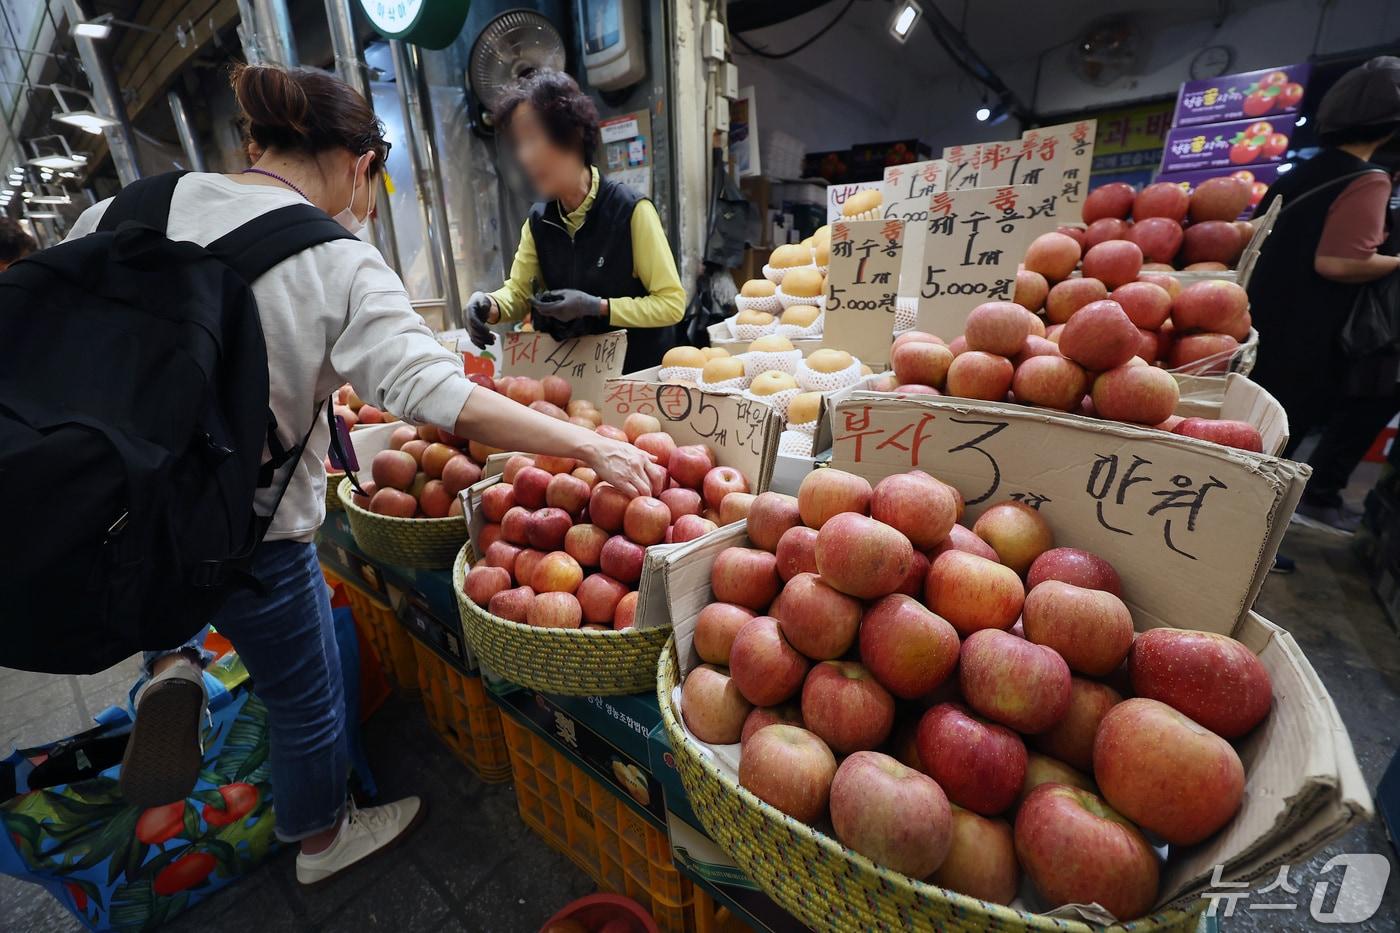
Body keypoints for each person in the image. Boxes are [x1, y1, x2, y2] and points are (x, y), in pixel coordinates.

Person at [62, 64, 652, 885]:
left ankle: (171, 660)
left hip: (118, 505)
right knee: (306, 693)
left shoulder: (123, 207)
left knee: (167, 572)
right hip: (253, 525)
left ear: (256, 145)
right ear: (359, 164)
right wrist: (584, 446)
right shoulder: (334, 258)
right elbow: (439, 395)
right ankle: (320, 838)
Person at [1247, 56, 1400, 537]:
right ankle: (1250, 543)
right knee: (1278, 441)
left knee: (1250, 433)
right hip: (1310, 333)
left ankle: (1230, 531)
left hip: (1257, 319)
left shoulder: (1298, 172)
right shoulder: (1369, 179)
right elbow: (1337, 262)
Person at [465, 69, 685, 372]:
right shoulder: (539, 222)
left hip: (636, 383)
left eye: (532, 139)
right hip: (576, 381)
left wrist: (599, 307)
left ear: (572, 134)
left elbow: (671, 304)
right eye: (518, 143)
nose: (525, 157)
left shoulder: (630, 210)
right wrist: (488, 305)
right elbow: (517, 293)